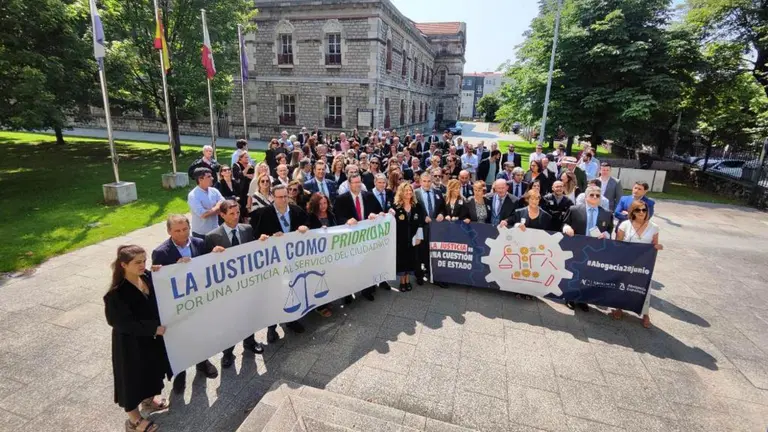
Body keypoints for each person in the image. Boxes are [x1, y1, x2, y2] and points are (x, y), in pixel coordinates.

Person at [105, 245, 171, 432]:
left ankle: (148, 400)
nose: (143, 265)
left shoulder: (147, 277)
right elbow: (119, 323)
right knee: (132, 379)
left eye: (144, 261)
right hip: (129, 345)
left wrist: (165, 270)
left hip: (150, 340)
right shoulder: (116, 294)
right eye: (137, 262)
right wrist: (153, 328)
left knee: (151, 371)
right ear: (124, 265)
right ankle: (133, 419)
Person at [150, 215, 218, 394]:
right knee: (180, 338)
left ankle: (202, 363)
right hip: (177, 306)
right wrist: (174, 268)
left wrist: (217, 253)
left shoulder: (199, 243)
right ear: (169, 232)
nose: (182, 234)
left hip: (199, 299)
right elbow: (159, 282)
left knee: (200, 333)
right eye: (177, 231)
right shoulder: (161, 252)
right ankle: (179, 374)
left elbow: (208, 265)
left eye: (185, 229)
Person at [204, 200, 266, 367]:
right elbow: (204, 266)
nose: (236, 216)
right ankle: (228, 352)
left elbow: (253, 252)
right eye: (231, 213)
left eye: (238, 212)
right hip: (227, 289)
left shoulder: (247, 229)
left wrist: (262, 242)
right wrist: (212, 254)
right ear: (222, 215)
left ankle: (249, 342)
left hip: (246, 284)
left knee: (248, 315)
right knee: (228, 321)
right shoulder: (212, 237)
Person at [250, 185, 309, 342]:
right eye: (279, 197)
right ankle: (272, 328)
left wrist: (305, 228)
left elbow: (309, 225)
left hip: (294, 261)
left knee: (292, 289)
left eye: (285, 196)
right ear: (273, 197)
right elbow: (256, 235)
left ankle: (292, 320)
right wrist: (267, 236)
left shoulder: (296, 211)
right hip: (274, 263)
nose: (283, 200)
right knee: (275, 293)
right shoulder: (265, 214)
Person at [611, 200, 663, 328]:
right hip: (626, 262)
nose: (641, 213)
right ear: (632, 212)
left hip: (644, 264)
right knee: (623, 284)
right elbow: (618, 243)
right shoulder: (625, 225)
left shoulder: (654, 227)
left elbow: (654, 246)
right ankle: (619, 308)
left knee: (644, 288)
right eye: (638, 210)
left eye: (644, 210)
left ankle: (645, 314)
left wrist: (657, 247)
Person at [562, 186, 614, 312]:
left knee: (588, 274)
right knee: (574, 273)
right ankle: (570, 297)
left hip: (594, 250)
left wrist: (606, 235)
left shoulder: (607, 214)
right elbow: (564, 223)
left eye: (598, 195)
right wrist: (566, 228)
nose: (595, 197)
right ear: (585, 197)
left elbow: (609, 229)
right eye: (592, 195)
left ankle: (583, 299)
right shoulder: (574, 210)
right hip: (577, 247)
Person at [499, 189, 552, 300]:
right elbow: (511, 221)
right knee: (520, 268)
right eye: (532, 198)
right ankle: (518, 290)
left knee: (533, 270)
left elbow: (548, 234)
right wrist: (513, 223)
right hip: (521, 247)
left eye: (537, 198)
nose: (534, 200)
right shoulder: (519, 212)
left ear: (539, 200)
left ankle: (530, 291)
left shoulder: (546, 216)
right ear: (527, 199)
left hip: (536, 250)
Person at [305, 193, 336, 317]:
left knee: (328, 277)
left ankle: (327, 300)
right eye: (320, 204)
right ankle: (319, 306)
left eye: (325, 203)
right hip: (317, 254)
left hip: (331, 251)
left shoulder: (331, 214)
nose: (323, 206)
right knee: (318, 278)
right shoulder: (310, 216)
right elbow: (307, 232)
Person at [391, 182, 425, 292]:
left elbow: (420, 222)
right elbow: (390, 221)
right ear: (401, 192)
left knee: (411, 259)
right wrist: (389, 213)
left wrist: (419, 236)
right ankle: (402, 281)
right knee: (402, 259)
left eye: (410, 190)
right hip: (400, 239)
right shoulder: (395, 207)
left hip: (413, 238)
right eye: (406, 190)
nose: (409, 192)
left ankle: (408, 280)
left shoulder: (417, 206)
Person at [415, 172, 446, 286]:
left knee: (433, 252)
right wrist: (423, 217)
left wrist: (442, 214)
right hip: (421, 227)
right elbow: (413, 210)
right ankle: (419, 275)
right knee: (419, 252)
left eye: (429, 181)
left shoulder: (438, 192)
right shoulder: (415, 193)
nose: (427, 184)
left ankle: (433, 274)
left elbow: (443, 207)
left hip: (435, 228)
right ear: (420, 181)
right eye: (424, 181)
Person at [187, 168, 224, 239]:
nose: (212, 178)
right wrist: (217, 207)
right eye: (209, 177)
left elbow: (224, 206)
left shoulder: (214, 191)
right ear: (200, 179)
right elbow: (203, 214)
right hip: (201, 234)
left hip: (216, 230)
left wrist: (210, 211)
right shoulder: (193, 195)